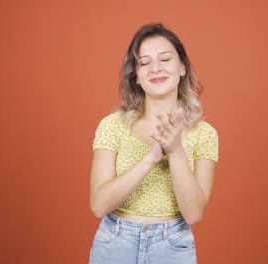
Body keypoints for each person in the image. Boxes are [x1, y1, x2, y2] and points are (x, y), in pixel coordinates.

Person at [89, 23, 219, 264]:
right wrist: (152, 157)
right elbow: (98, 205)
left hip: (172, 249)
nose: (155, 69)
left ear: (182, 67)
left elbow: (193, 213)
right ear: (136, 76)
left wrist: (176, 150)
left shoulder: (205, 134)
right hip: (114, 246)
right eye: (144, 63)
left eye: (165, 59)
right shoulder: (113, 125)